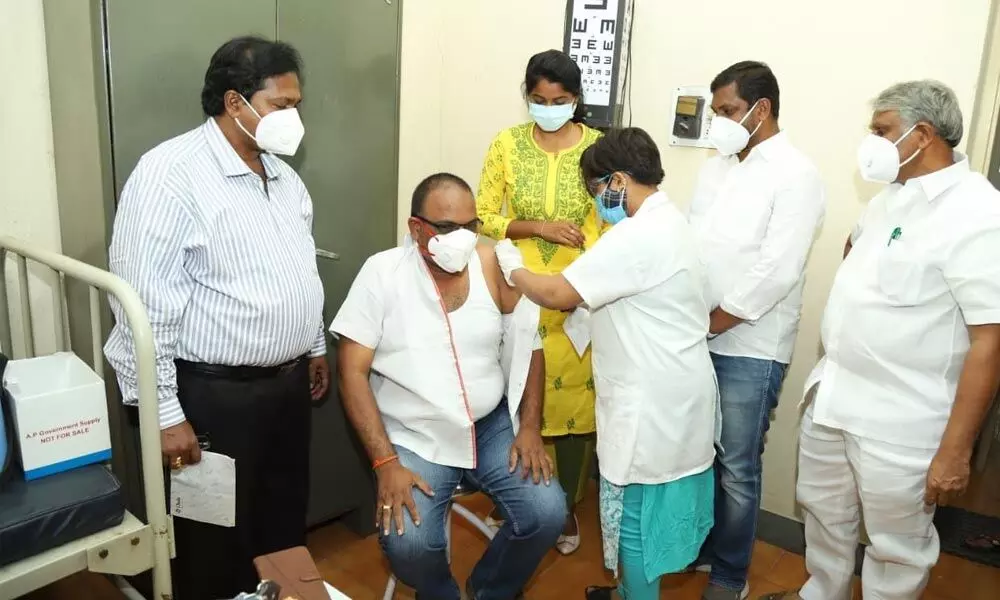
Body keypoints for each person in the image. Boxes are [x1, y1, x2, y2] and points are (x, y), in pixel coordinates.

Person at [104, 36, 329, 599]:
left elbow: (299, 269)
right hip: (212, 397)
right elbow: (140, 308)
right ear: (235, 102)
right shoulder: (169, 175)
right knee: (211, 536)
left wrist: (315, 344)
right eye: (282, 105)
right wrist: (163, 413)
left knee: (279, 519)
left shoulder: (283, 177)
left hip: (286, 388)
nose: (293, 117)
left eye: (297, 104)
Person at [762, 80, 1000, 600]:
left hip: (902, 421)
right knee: (824, 516)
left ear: (924, 135)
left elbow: (991, 340)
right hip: (835, 397)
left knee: (897, 546)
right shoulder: (891, 198)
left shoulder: (978, 213)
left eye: (881, 130)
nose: (871, 142)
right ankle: (820, 593)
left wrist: (956, 450)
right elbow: (858, 261)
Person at [494, 127, 719, 600]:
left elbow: (555, 292)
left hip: (652, 401)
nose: (597, 201)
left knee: (637, 521)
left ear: (617, 180)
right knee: (648, 511)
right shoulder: (672, 221)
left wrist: (509, 261)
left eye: (596, 190)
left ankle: (636, 595)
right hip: (677, 385)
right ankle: (627, 593)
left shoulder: (638, 234)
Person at [331, 173, 567, 599]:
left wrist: (530, 426)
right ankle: (440, 593)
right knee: (410, 542)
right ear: (415, 227)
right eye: (446, 228)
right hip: (415, 434)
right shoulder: (382, 273)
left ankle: (490, 590)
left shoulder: (492, 263)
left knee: (546, 514)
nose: (461, 238)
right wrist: (385, 463)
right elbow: (351, 371)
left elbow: (530, 344)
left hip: (490, 425)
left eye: (470, 226)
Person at [686, 61, 826, 600]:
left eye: (727, 111)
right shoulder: (717, 165)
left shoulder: (796, 173)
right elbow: (695, 243)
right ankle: (701, 548)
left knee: (738, 466)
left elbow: (778, 269)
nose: (718, 121)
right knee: (699, 454)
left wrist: (713, 323)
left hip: (752, 345)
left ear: (761, 109)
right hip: (699, 333)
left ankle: (730, 578)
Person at [476, 49, 604, 554]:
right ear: (526, 96)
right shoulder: (506, 144)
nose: (549, 107)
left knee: (574, 402)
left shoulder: (599, 149)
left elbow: (612, 219)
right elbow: (483, 214)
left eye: (560, 100)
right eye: (538, 99)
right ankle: (517, 492)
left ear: (576, 100)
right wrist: (536, 227)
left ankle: (566, 506)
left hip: (580, 288)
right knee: (518, 392)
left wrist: (586, 281)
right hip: (518, 286)